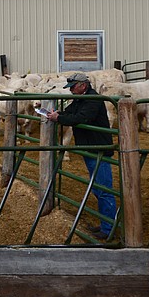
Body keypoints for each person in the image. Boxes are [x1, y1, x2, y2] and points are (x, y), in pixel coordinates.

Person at [44, 72, 118, 239]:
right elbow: (70, 112)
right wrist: (58, 115)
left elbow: (82, 118)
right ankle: (106, 224)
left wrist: (59, 118)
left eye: (73, 87)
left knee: (104, 189)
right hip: (90, 147)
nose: (70, 91)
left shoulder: (93, 99)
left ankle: (109, 229)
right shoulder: (81, 98)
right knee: (98, 187)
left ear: (83, 85)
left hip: (98, 147)